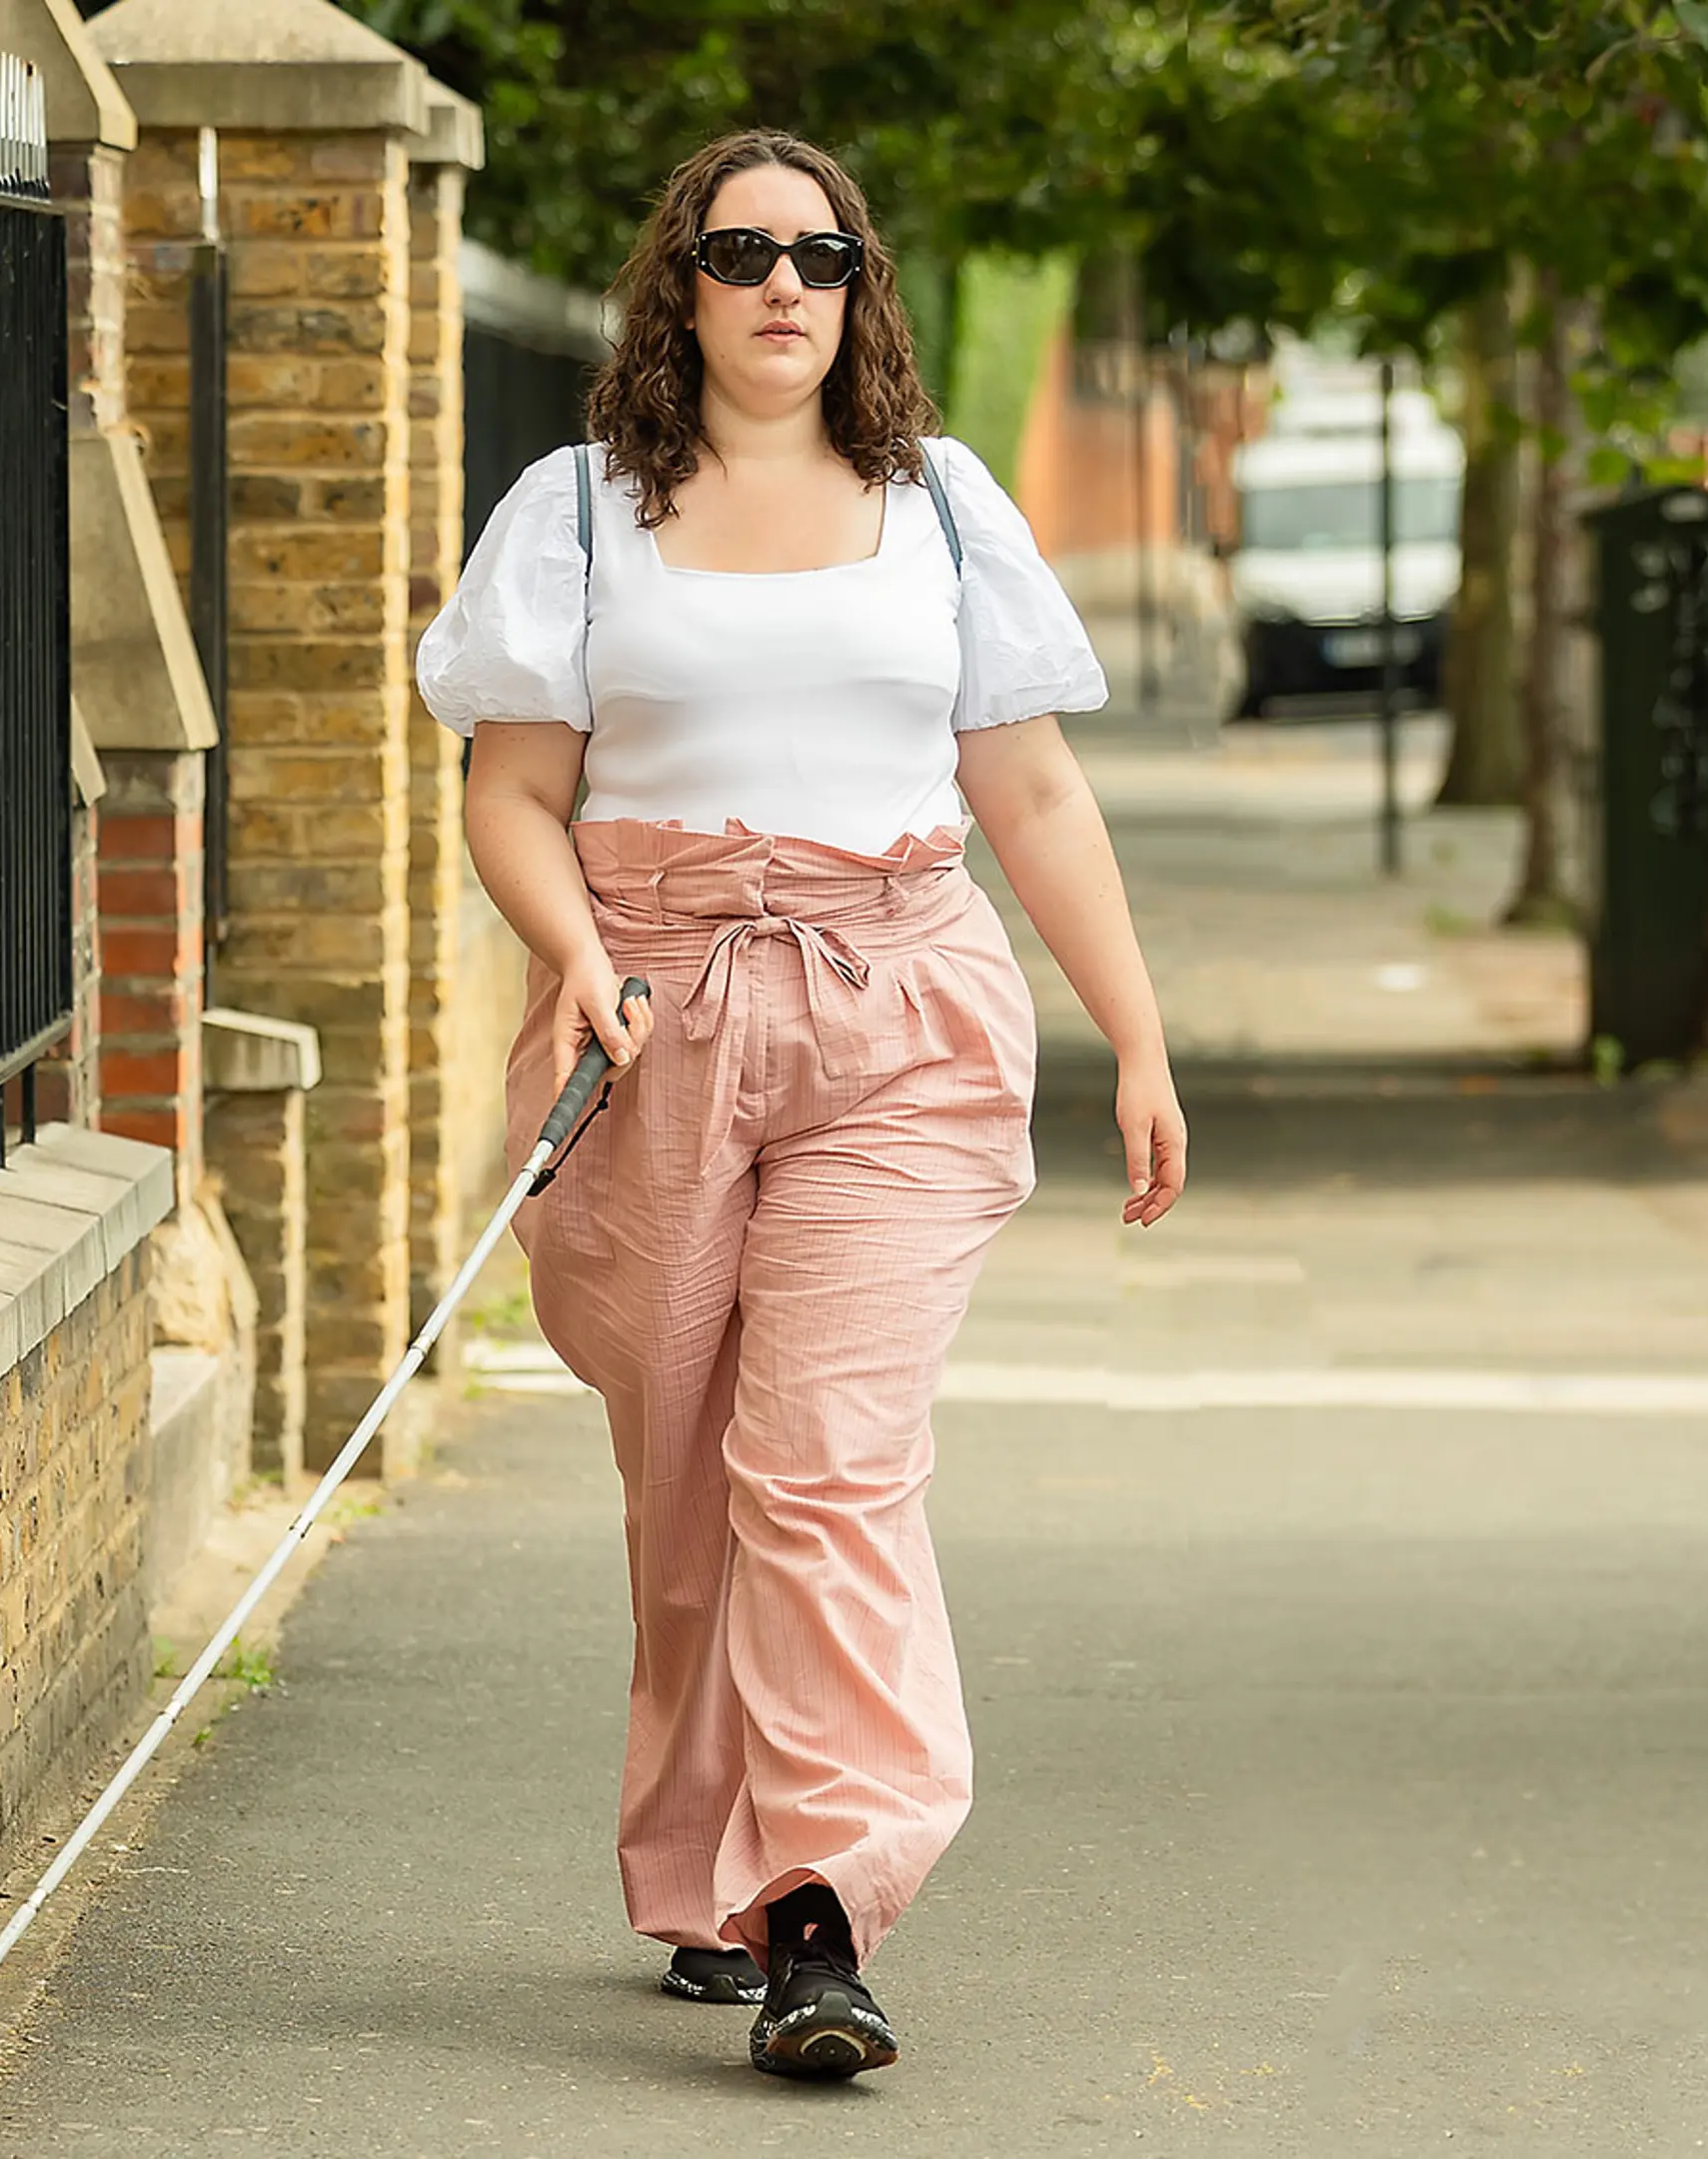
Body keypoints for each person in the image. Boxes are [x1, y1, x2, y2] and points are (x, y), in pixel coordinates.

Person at [416, 126, 1186, 2083]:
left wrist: (1141, 1039)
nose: (783, 286)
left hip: (898, 1010)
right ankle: (698, 1863)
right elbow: (511, 791)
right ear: (678, 283)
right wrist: (573, 947)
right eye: (741, 250)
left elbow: (1030, 797)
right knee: (687, 1484)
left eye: (820, 255)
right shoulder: (580, 512)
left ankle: (823, 1908)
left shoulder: (939, 510)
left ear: (862, 287)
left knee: (822, 1467)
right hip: (656, 1007)